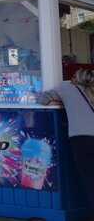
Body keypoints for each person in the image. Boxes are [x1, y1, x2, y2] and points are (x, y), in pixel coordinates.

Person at [40, 69, 94, 216]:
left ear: (74, 78)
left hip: (81, 139)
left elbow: (43, 99)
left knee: (89, 180)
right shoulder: (91, 90)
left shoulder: (66, 87)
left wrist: (58, 100)